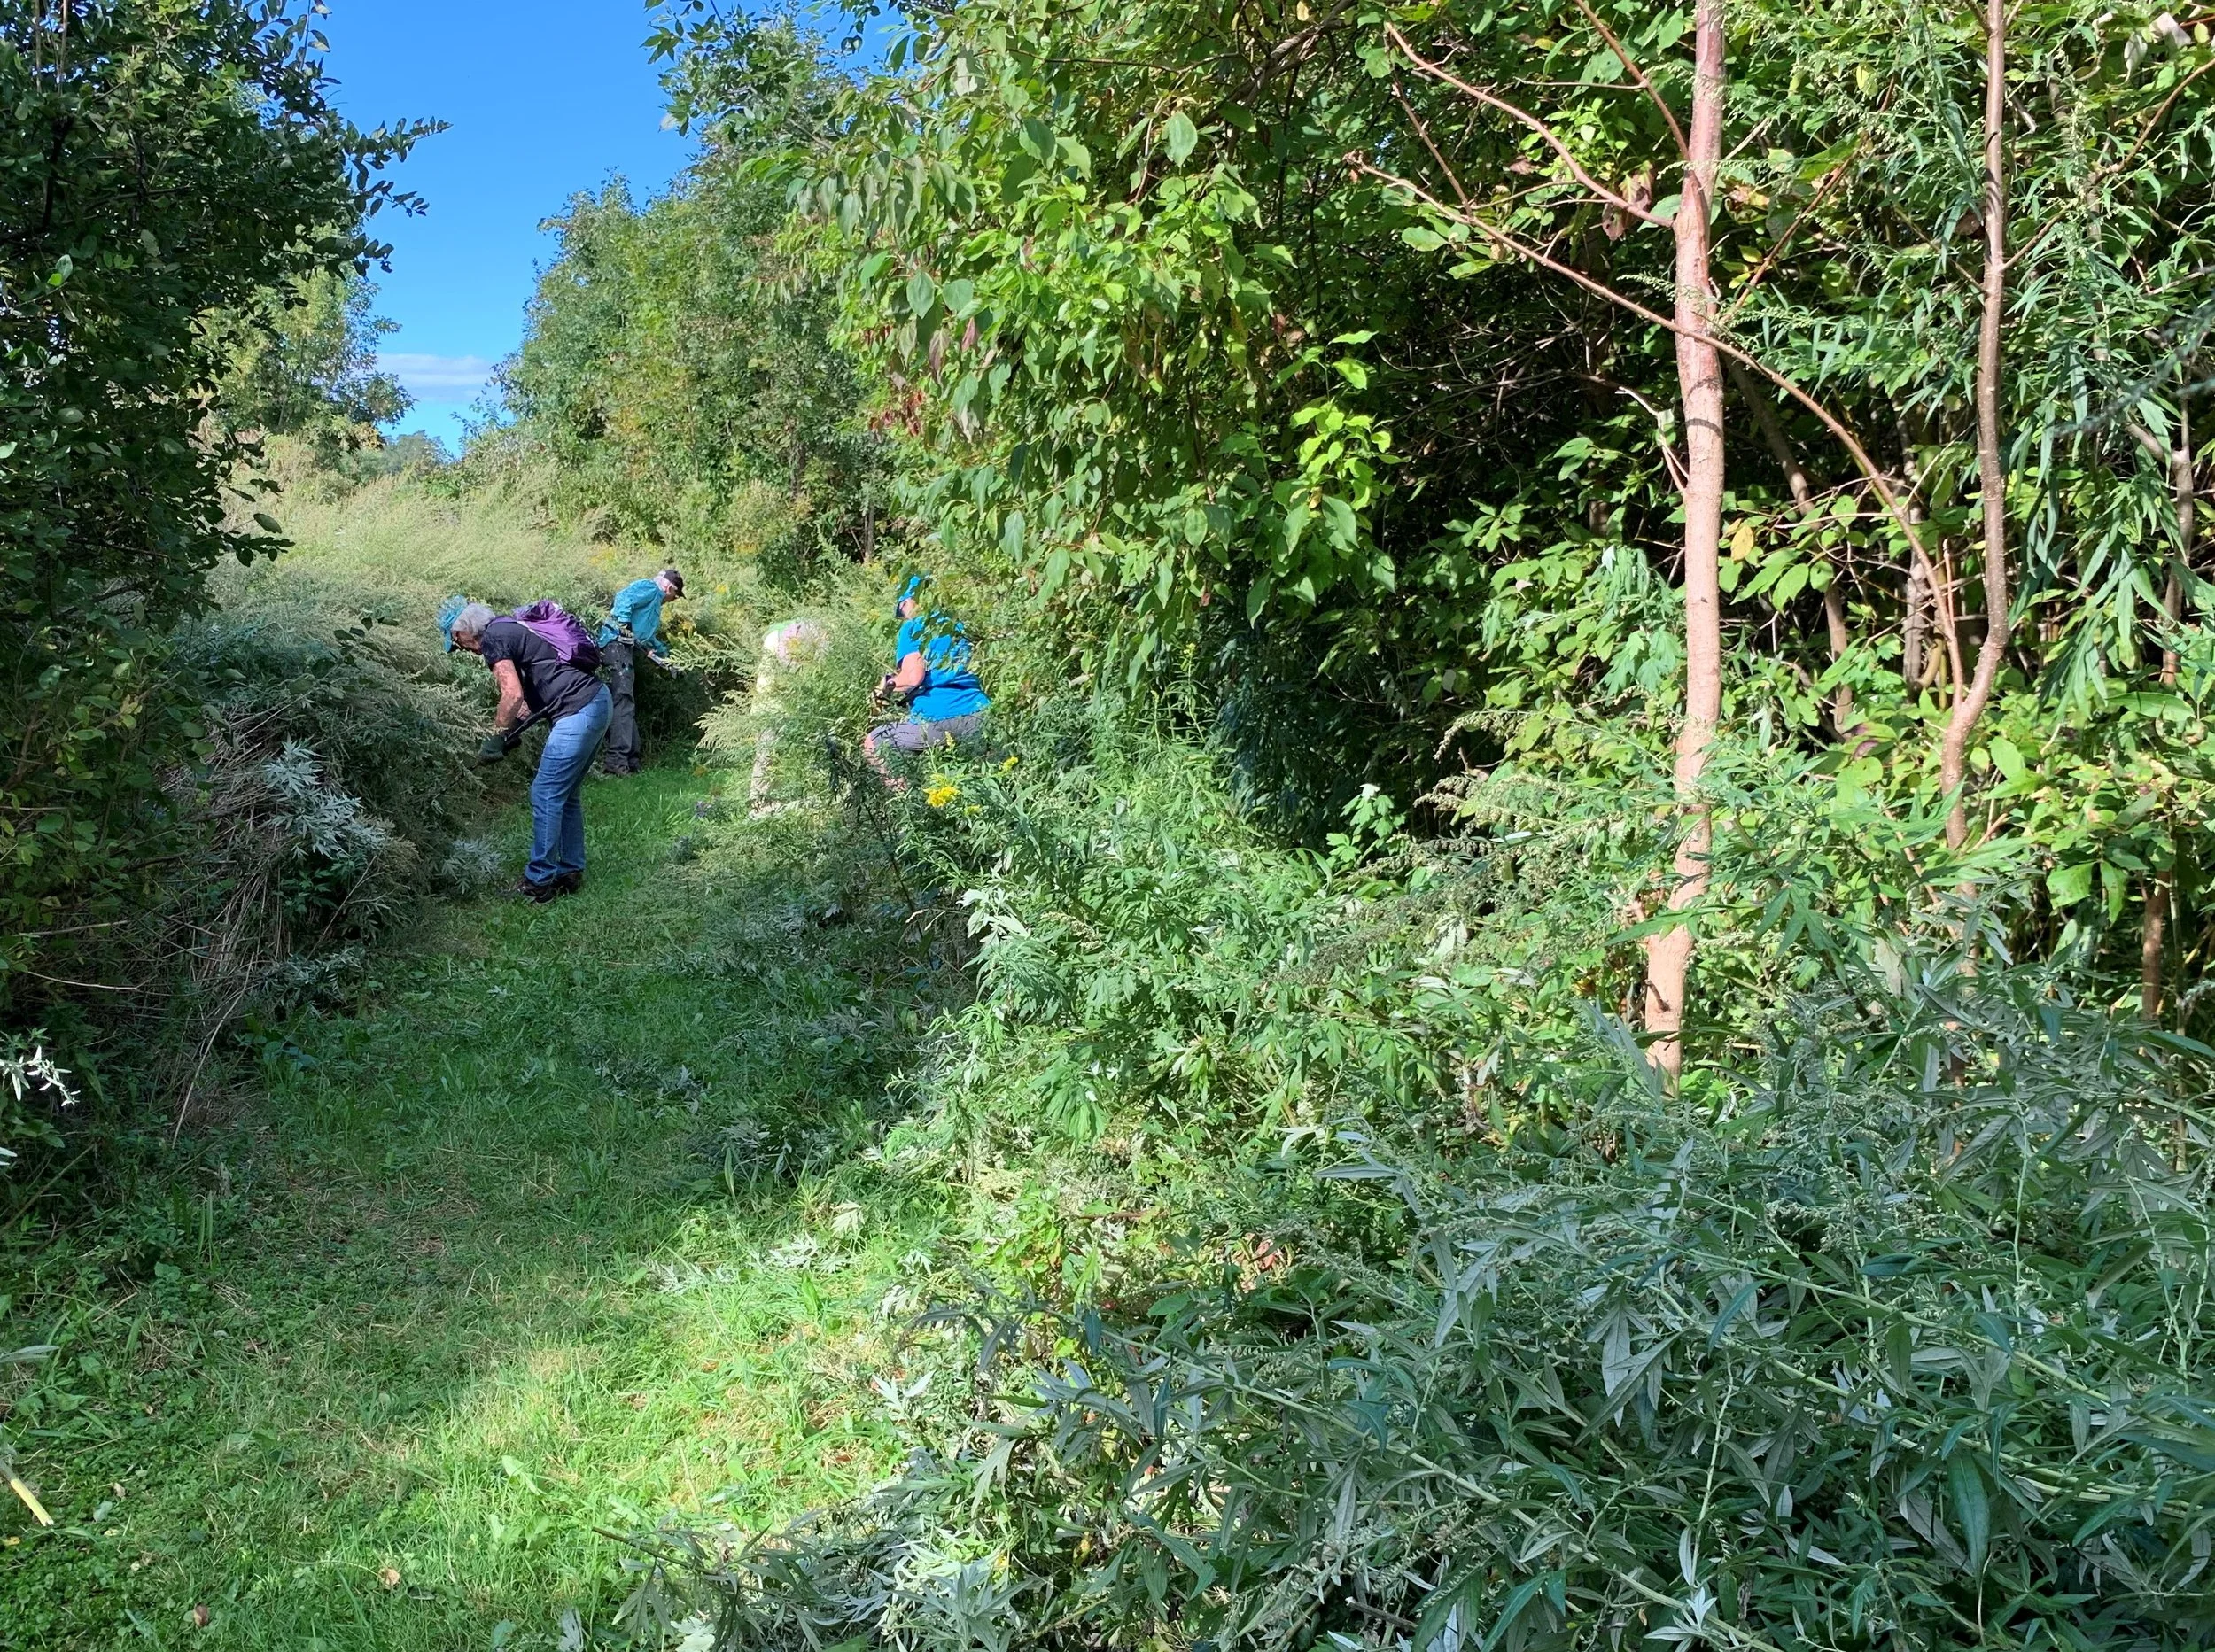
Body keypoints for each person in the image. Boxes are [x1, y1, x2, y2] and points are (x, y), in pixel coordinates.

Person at [440, 598, 612, 903]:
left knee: (545, 793)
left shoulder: (493, 638)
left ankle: (538, 883)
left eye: (456, 641)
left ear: (465, 631)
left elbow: (511, 695)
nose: (461, 649)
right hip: (597, 702)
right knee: (565, 794)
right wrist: (510, 734)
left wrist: (495, 737)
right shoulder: (510, 628)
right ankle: (569, 872)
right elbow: (531, 700)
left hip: (578, 711)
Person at [864, 575, 990, 784]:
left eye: (902, 609)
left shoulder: (914, 627)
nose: (903, 616)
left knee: (874, 743)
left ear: (908, 602)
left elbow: (914, 677)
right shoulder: (958, 624)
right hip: (980, 712)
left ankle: (906, 803)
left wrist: (886, 684)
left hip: (938, 717)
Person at [595, 568, 685, 777]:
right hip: (615, 645)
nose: (673, 600)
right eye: (675, 595)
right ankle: (616, 764)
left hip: (625, 650)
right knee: (623, 701)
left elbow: (647, 638)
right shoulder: (650, 588)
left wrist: (670, 659)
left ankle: (632, 761)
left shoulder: (654, 606)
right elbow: (623, 597)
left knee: (626, 703)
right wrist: (625, 626)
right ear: (669, 587)